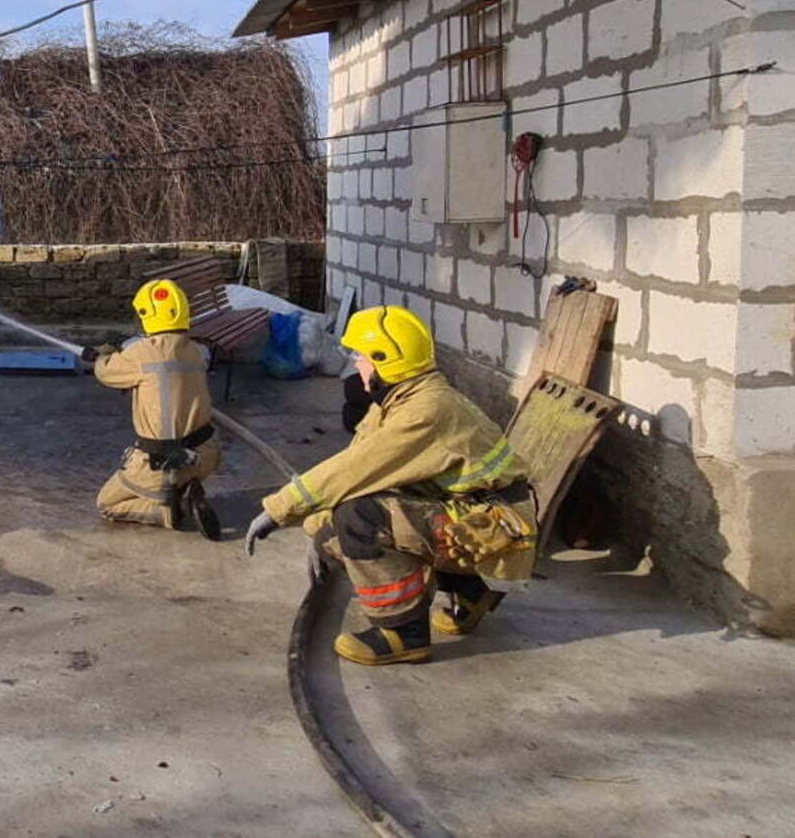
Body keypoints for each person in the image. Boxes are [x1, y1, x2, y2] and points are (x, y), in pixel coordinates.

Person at [242, 305, 537, 665]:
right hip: (475, 514)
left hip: (492, 529)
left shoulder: (424, 412)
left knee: (360, 517)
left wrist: (277, 510)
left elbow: (352, 470)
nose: (356, 365)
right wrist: (315, 528)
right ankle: (473, 591)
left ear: (386, 361)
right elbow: (358, 467)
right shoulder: (400, 398)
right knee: (337, 527)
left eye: (361, 357)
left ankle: (403, 634)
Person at [81, 279, 222, 540]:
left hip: (163, 463)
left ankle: (174, 509)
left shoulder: (141, 353)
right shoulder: (196, 350)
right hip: (205, 457)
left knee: (107, 503)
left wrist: (101, 354)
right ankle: (186, 487)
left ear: (147, 315)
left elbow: (105, 371)